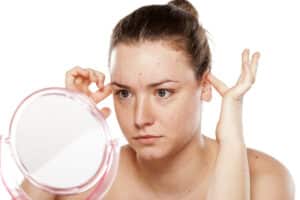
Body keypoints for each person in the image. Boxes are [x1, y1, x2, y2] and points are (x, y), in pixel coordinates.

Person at [21, 0, 295, 199]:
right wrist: (70, 128)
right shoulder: (87, 181)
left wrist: (232, 138)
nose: (140, 118)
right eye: (124, 93)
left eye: (163, 92)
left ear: (205, 86)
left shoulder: (264, 179)